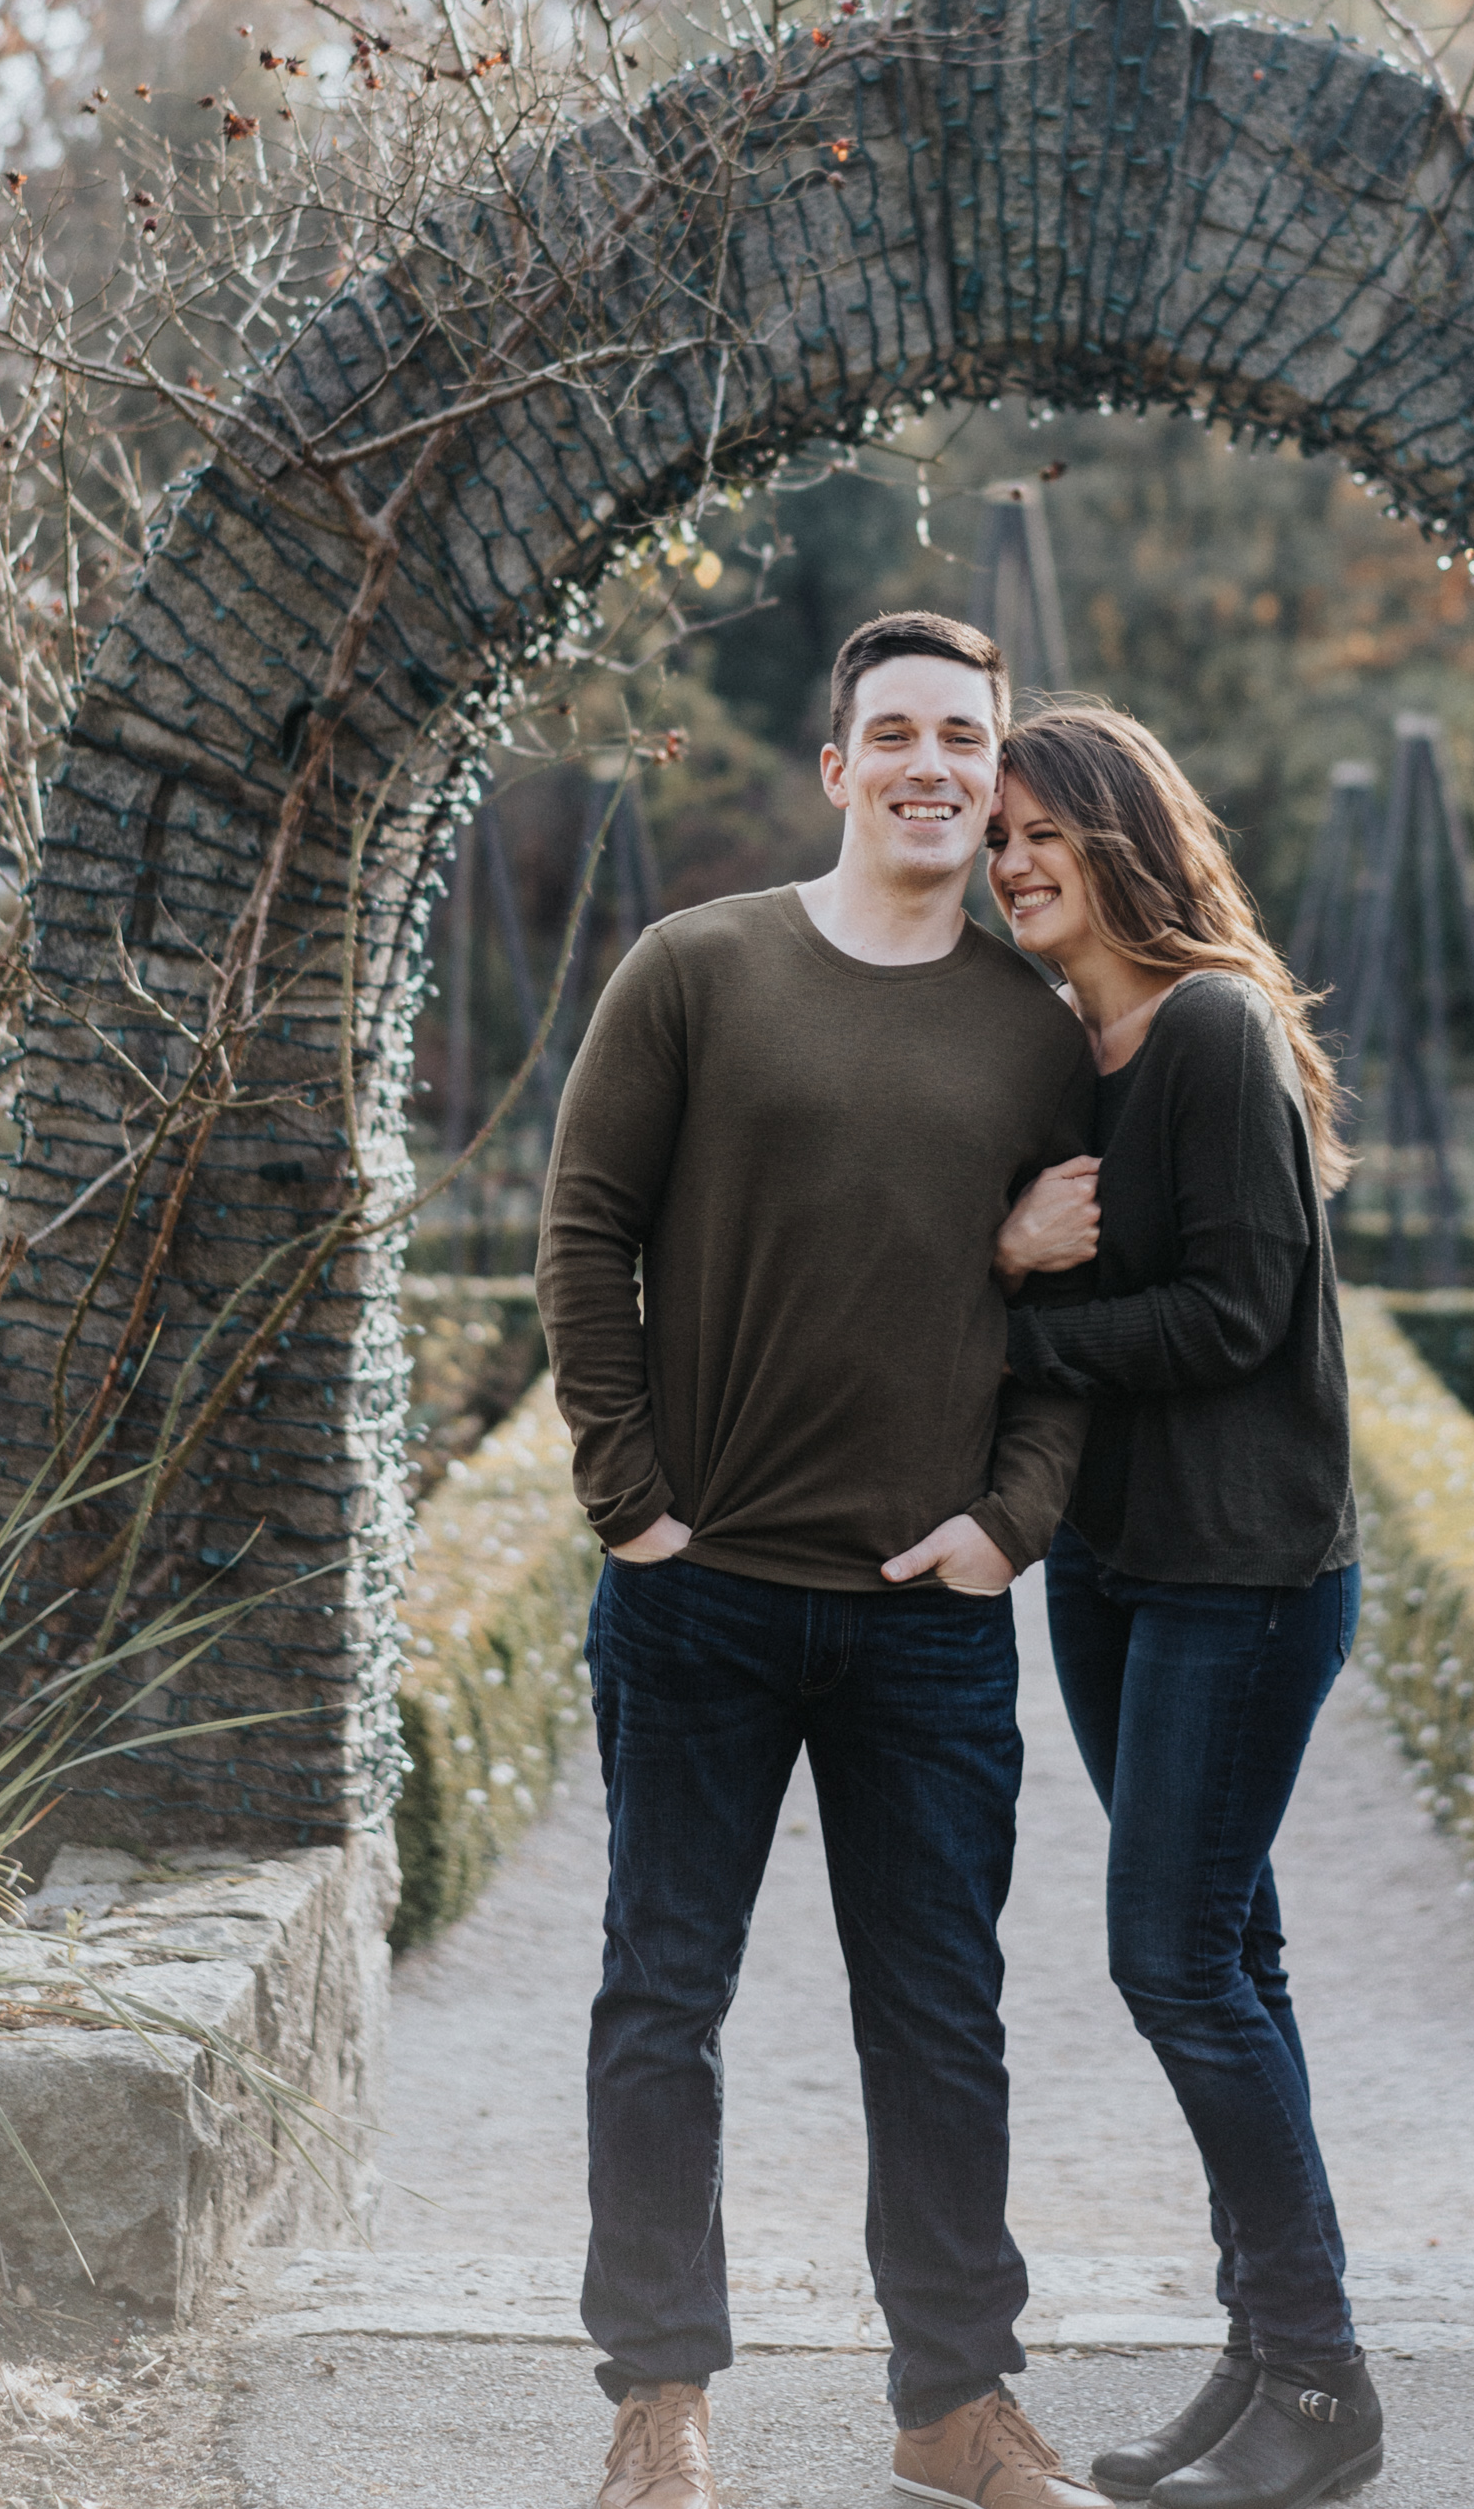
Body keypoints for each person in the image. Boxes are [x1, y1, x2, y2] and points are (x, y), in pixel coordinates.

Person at [537, 612, 1111, 2509]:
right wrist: (631, 1506)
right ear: (839, 765)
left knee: (940, 2018)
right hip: (694, 1599)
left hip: (924, 1620)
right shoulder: (697, 968)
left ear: (992, 773)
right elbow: (584, 1233)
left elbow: (1068, 1314)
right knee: (661, 2002)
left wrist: (1010, 1524)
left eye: (966, 736)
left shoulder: (1034, 1031)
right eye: (900, 733)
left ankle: (954, 2406)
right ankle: (659, 2399)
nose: (934, 764)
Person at [983, 704, 1382, 2509]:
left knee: (1170, 1961)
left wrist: (1011, 1325)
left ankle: (1322, 2381)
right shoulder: (1075, 1049)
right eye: (996, 840)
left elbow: (1235, 1314)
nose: (1009, 863)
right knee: (1231, 1956)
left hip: (1244, 1570)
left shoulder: (1212, 1026)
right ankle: (1267, 2359)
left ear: (1120, 832)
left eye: (1039, 830)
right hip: (1118, 1570)